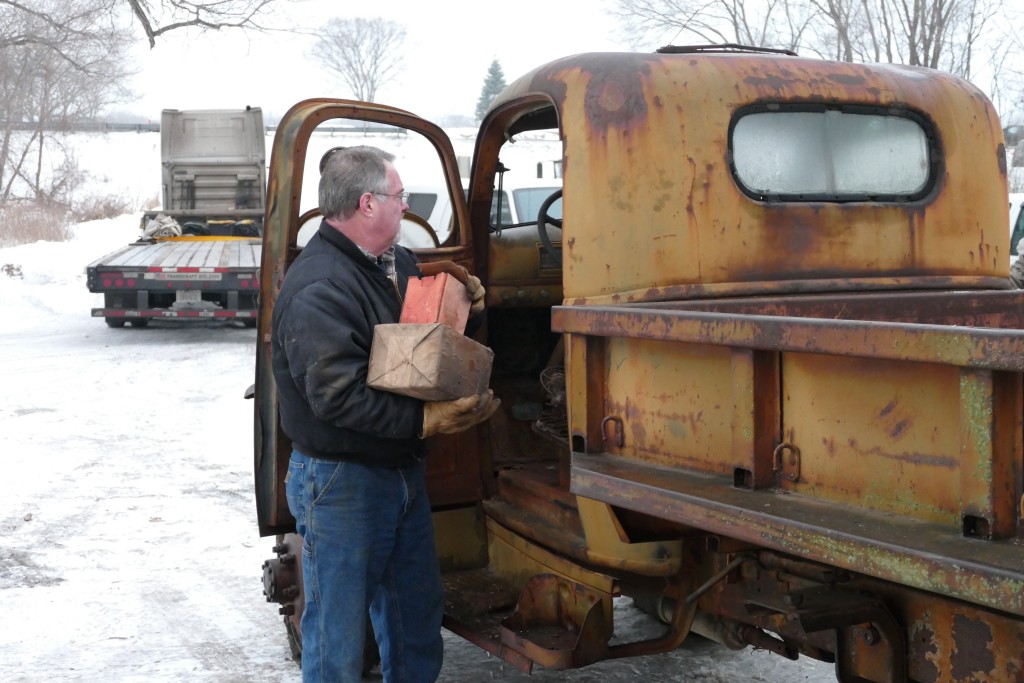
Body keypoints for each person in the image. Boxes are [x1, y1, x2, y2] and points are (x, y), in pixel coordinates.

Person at [271, 145, 498, 682]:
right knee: (338, 637)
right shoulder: (320, 287)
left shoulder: (394, 264)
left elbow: (420, 353)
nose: (405, 206)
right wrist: (425, 423)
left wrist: (466, 309)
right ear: (367, 204)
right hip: (341, 482)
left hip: (399, 471)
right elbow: (338, 397)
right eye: (399, 197)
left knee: (413, 619)